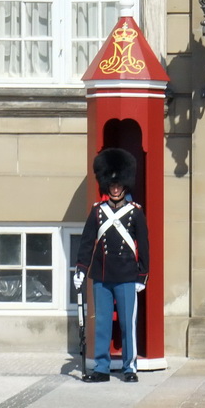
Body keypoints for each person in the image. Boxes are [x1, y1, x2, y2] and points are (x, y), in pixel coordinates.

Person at [73, 148, 149, 383]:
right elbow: (87, 243)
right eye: (112, 185)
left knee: (128, 324)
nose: (115, 188)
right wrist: (81, 270)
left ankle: (129, 367)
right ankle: (102, 368)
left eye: (119, 185)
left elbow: (144, 245)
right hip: (103, 275)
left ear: (125, 185)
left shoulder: (135, 213)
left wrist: (142, 276)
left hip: (127, 275)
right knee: (103, 323)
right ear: (107, 185)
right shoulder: (98, 211)